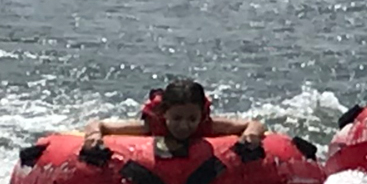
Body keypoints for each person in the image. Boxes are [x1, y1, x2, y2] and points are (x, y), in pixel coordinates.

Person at [81, 77, 268, 157]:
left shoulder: (207, 126)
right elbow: (99, 125)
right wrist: (94, 136)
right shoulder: (150, 126)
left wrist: (250, 135)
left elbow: (254, 124)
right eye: (177, 119)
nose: (184, 126)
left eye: (192, 119)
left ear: (201, 116)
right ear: (164, 113)